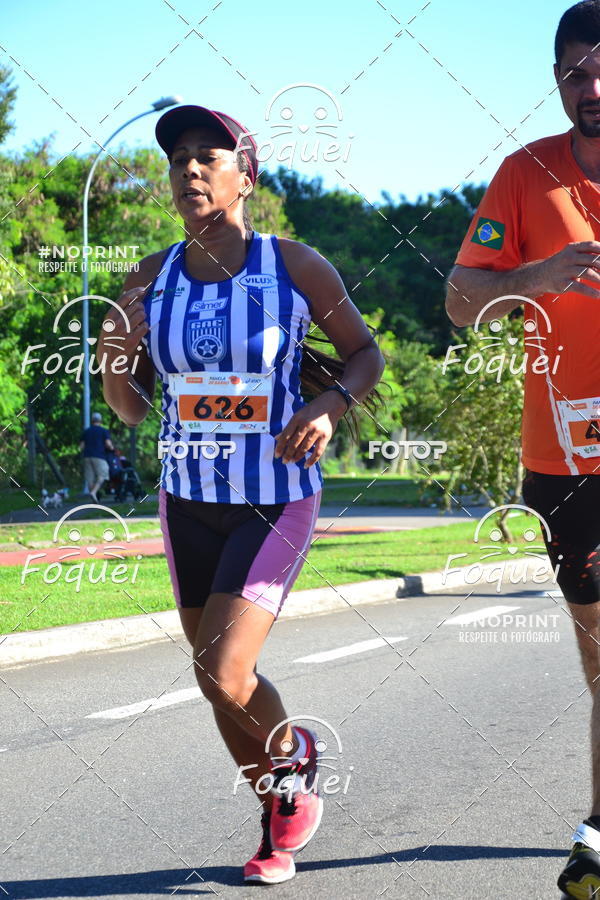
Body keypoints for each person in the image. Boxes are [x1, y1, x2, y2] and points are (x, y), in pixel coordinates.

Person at [98, 104, 384, 884]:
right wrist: (113, 352)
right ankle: (278, 806)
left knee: (227, 669)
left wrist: (329, 407)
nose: (189, 169)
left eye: (208, 156)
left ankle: (292, 763)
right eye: (178, 159)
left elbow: (364, 355)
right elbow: (131, 406)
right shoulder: (150, 277)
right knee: (211, 675)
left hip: (275, 496)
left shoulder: (293, 265)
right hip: (185, 497)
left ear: (245, 178)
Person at [446, 2, 600, 895]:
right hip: (564, 461)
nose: (592, 87)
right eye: (576, 71)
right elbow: (462, 302)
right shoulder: (523, 174)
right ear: (556, 78)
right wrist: (532, 278)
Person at [80, 411, 113, 502]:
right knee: (103, 473)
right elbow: (108, 444)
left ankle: (93, 498)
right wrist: (111, 447)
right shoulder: (103, 431)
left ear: (92, 420)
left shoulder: (86, 431)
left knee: (90, 478)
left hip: (87, 456)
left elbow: (81, 446)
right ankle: (94, 492)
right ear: (100, 420)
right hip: (99, 456)